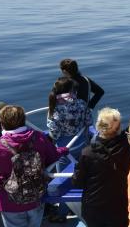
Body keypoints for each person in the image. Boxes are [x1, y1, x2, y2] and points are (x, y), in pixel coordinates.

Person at [0, 105, 68, 227]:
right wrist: (64, 150)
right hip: (36, 197)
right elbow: (53, 156)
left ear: (2, 124)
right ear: (24, 120)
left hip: (10, 202)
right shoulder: (39, 137)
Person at [71, 107, 130, 227]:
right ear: (118, 128)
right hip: (121, 207)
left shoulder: (87, 153)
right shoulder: (128, 146)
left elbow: (77, 182)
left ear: (99, 126)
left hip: (94, 210)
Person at [46, 76, 92, 223]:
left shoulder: (54, 109)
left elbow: (55, 134)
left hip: (64, 151)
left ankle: (62, 213)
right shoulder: (81, 103)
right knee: (83, 176)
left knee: (63, 180)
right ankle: (84, 205)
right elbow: (88, 122)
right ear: (71, 90)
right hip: (81, 145)